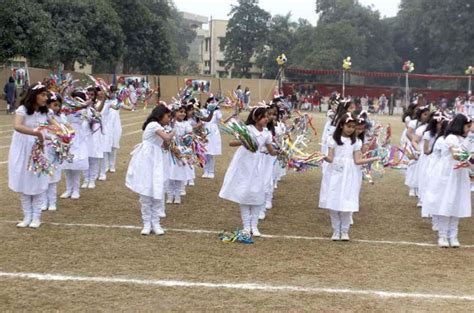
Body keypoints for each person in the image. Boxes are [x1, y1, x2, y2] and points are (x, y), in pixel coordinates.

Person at [219, 107, 279, 237]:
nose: (266, 119)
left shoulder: (267, 133)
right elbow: (231, 143)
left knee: (257, 195)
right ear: (256, 118)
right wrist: (245, 141)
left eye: (267, 117)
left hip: (258, 166)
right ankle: (246, 226)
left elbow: (270, 150)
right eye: (263, 117)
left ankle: (254, 226)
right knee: (244, 194)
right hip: (245, 165)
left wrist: (279, 151)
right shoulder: (247, 130)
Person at [319, 113, 379, 241]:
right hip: (335, 172)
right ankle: (336, 231)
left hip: (350, 173)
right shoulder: (333, 140)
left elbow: (357, 160)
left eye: (353, 127)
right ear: (341, 126)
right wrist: (321, 156)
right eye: (348, 126)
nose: (351, 129)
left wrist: (373, 158)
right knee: (334, 200)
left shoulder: (356, 142)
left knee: (347, 200)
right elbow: (330, 158)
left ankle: (345, 231)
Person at [125, 105, 174, 236]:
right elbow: (167, 138)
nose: (169, 119)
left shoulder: (160, 127)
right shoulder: (153, 124)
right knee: (146, 191)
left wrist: (170, 135)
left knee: (157, 188)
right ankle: (146, 223)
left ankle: (156, 223)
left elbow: (165, 144)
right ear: (160, 115)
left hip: (157, 160)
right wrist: (175, 131)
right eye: (167, 116)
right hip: (147, 160)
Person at [424, 114, 472, 247]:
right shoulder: (451, 138)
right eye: (468, 126)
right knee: (446, 202)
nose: (469, 129)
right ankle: (443, 235)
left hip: (460, 174)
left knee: (457, 202)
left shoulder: (468, 139)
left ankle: (453, 235)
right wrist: (471, 157)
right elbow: (456, 155)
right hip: (447, 174)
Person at [8, 82, 51, 228]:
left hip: (38, 149)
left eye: (46, 95)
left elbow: (52, 128)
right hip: (23, 149)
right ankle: (27, 216)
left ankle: (36, 217)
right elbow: (17, 126)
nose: (46, 98)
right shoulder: (23, 110)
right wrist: (36, 133)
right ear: (34, 95)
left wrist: (56, 137)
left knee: (37, 182)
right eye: (43, 95)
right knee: (24, 182)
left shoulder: (46, 112)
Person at [60, 90, 90, 200]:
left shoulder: (84, 111)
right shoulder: (65, 110)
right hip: (66, 136)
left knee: (76, 164)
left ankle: (76, 189)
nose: (75, 101)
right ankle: (68, 189)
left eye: (78, 99)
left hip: (78, 137)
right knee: (66, 164)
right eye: (74, 99)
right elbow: (60, 119)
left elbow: (87, 121)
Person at [167, 104, 192, 204]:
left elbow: (190, 135)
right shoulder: (171, 123)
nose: (183, 113)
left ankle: (177, 196)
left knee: (179, 173)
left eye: (184, 112)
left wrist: (187, 139)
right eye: (180, 111)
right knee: (170, 174)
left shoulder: (186, 124)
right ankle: (169, 195)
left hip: (182, 150)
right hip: (170, 150)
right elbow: (170, 128)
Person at [201, 97, 221, 179]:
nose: (212, 103)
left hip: (213, 132)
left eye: (214, 102)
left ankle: (211, 171)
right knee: (204, 152)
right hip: (204, 131)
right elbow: (202, 120)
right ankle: (205, 170)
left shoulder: (217, 112)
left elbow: (221, 120)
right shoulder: (203, 111)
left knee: (211, 152)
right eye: (210, 102)